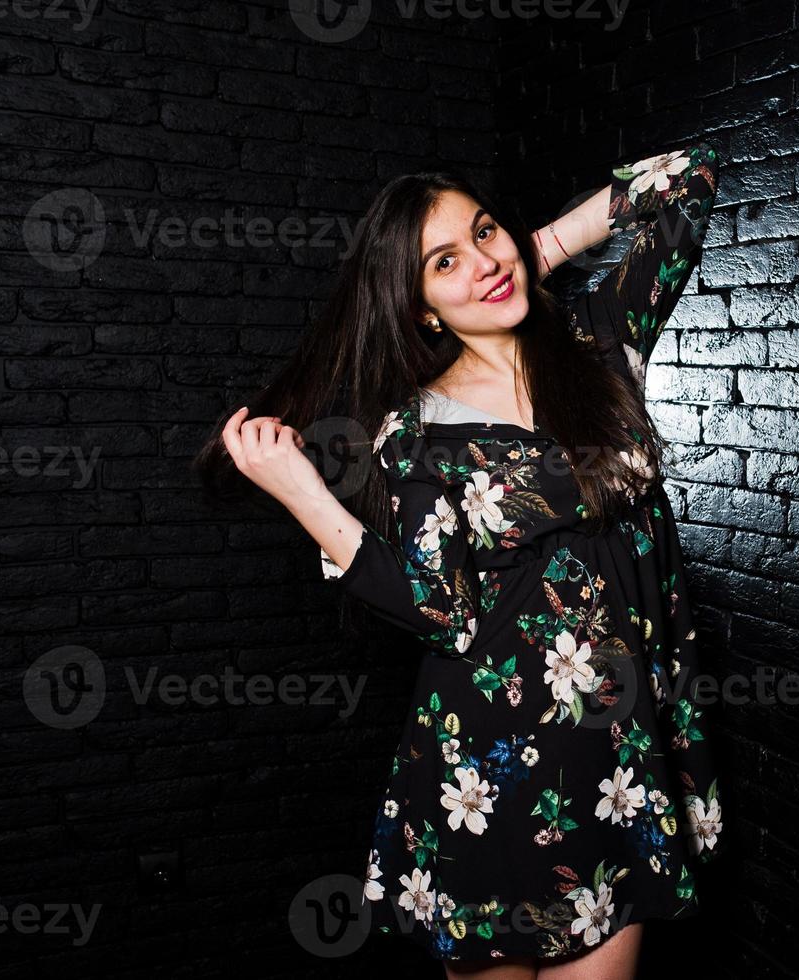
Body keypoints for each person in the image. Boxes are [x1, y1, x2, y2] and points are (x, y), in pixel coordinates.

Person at [194, 141, 727, 979]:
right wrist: (304, 496)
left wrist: (530, 253)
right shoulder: (415, 433)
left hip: (614, 755)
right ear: (419, 310)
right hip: (482, 766)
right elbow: (441, 611)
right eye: (445, 262)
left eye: (483, 232)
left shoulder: (597, 338)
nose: (481, 262)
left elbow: (688, 177)